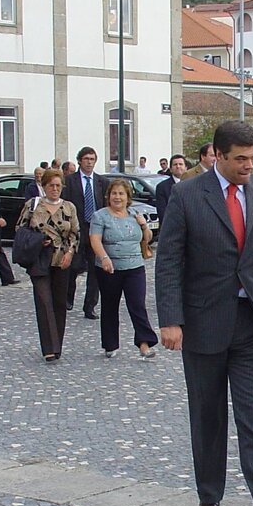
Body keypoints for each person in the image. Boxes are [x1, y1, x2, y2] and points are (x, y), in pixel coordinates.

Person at [156, 120, 253, 506]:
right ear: (217, 155)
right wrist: (170, 320)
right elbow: (169, 261)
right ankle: (209, 495)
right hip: (202, 322)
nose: (248, 166)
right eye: (240, 159)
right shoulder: (187, 194)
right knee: (208, 415)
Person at [90, 179, 158, 359]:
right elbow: (95, 239)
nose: (117, 197)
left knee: (137, 305)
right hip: (109, 267)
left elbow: (148, 238)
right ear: (108, 196)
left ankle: (144, 344)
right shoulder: (100, 216)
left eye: (121, 194)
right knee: (110, 305)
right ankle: (110, 344)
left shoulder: (134, 213)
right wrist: (104, 257)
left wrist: (144, 225)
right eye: (114, 193)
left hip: (135, 267)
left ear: (128, 197)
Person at [15, 169, 79, 361]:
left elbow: (75, 233)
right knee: (44, 301)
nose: (55, 189)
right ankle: (49, 347)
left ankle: (57, 343)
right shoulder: (33, 205)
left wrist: (70, 253)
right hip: (40, 259)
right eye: (51, 185)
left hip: (61, 259)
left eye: (58, 186)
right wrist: (36, 240)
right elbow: (20, 228)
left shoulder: (69, 207)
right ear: (44, 186)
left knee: (59, 302)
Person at [63, 146, 108, 318]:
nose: (89, 162)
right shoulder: (70, 181)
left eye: (92, 159)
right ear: (80, 160)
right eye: (86, 159)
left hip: (96, 231)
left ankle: (90, 306)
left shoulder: (102, 182)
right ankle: (68, 297)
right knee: (73, 267)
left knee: (95, 270)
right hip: (77, 229)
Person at [154, 154, 186, 224]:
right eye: (175, 164)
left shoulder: (193, 185)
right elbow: (162, 212)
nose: (178, 166)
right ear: (170, 169)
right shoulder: (162, 187)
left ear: (186, 168)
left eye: (181, 164)